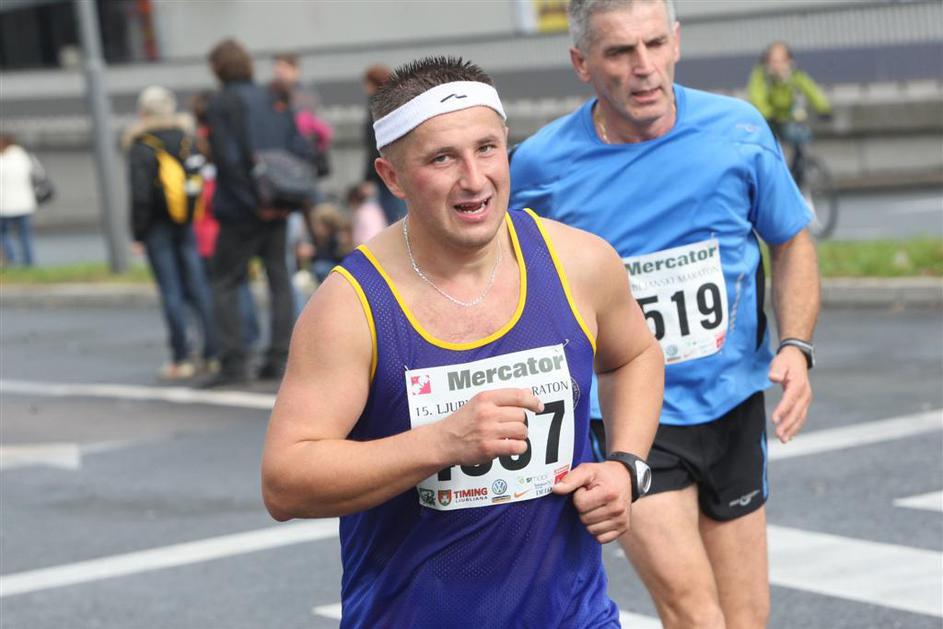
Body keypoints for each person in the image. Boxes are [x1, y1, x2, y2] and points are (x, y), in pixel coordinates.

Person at [262, 56, 664, 627]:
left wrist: (625, 465)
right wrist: (441, 443)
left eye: (487, 149)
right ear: (392, 177)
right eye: (442, 158)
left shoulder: (579, 261)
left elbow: (635, 356)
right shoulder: (352, 305)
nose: (474, 179)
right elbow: (285, 482)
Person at [509, 2, 821, 628]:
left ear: (676, 42)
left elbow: (790, 239)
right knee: (694, 613)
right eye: (620, 52)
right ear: (582, 63)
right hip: (627, 416)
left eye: (654, 44)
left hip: (731, 402)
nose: (644, 66)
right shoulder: (540, 167)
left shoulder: (737, 130)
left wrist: (795, 345)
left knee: (746, 619)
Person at [202, 38, 315, 386]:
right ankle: (279, 358)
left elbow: (229, 160)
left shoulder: (222, 102)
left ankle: (234, 361)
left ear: (218, 68)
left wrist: (254, 203)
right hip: (280, 200)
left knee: (225, 281)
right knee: (279, 278)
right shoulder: (271, 96)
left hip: (243, 208)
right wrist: (280, 200)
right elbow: (297, 146)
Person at [123, 86, 219, 380]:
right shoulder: (186, 139)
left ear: (143, 112)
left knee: (171, 291)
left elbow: (140, 195)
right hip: (186, 222)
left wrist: (138, 234)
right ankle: (212, 354)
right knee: (199, 288)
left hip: (157, 226)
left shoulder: (142, 145)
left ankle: (182, 357)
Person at [748, 40, 831, 188]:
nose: (778, 65)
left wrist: (824, 108)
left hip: (786, 118)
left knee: (801, 137)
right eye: (774, 61)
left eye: (782, 60)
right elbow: (757, 96)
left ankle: (798, 175)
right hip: (768, 119)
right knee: (768, 148)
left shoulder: (794, 75)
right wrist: (767, 113)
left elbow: (811, 89)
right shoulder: (761, 76)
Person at [361, 64, 407, 224]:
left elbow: (374, 145)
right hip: (397, 165)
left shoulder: (376, 108)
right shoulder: (395, 104)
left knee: (395, 216)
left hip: (384, 171)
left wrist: (368, 177)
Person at [0, 134, 37, 267]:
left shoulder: (2, 160)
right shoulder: (24, 157)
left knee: (3, 234)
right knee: (25, 235)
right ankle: (29, 263)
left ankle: (11, 260)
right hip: (24, 204)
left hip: (5, 205)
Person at [347, 181, 387, 246]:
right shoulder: (374, 208)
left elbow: (357, 239)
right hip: (382, 243)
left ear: (354, 200)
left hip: (369, 246)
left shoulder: (360, 213)